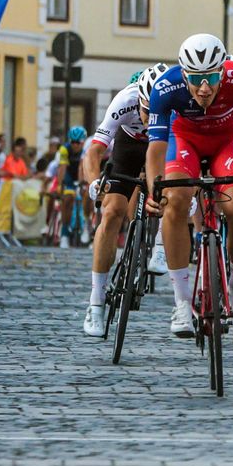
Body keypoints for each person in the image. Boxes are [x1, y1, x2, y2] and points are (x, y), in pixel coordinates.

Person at [146, 34, 233, 338]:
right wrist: (153, 190)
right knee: (174, 201)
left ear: (223, 71)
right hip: (184, 139)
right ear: (184, 74)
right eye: (197, 79)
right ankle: (181, 301)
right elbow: (156, 148)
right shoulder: (165, 87)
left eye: (213, 77)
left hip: (227, 140)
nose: (205, 88)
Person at [80, 63, 168, 337]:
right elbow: (94, 152)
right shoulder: (125, 100)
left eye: (156, 113)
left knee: (171, 192)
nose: (149, 119)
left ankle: (159, 244)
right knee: (111, 212)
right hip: (129, 146)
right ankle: (96, 302)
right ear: (138, 99)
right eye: (145, 111)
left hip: (163, 144)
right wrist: (95, 183)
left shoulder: (175, 104)